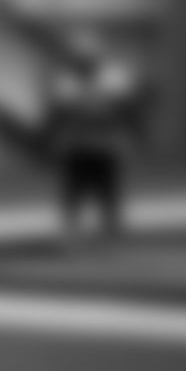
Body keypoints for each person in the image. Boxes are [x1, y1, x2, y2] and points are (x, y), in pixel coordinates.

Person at [45, 29, 141, 244]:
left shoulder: (114, 78)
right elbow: (58, 114)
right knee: (73, 188)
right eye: (79, 58)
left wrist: (96, 112)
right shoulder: (66, 81)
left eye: (87, 58)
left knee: (107, 187)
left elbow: (125, 111)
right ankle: (70, 229)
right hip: (77, 144)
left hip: (105, 144)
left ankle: (110, 228)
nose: (83, 62)